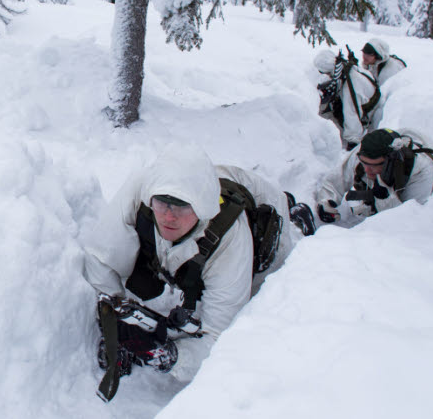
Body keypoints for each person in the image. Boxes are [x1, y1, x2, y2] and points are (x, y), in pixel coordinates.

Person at [81, 147, 313, 389]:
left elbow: (220, 338)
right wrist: (115, 316)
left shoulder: (231, 242)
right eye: (162, 205)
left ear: (201, 207)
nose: (169, 217)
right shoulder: (144, 189)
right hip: (212, 187)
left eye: (181, 208)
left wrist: (170, 356)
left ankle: (297, 217)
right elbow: (100, 256)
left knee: (261, 301)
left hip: (263, 217)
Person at [315, 129, 433, 224]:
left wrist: (384, 193)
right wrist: (326, 202)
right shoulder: (364, 153)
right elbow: (335, 180)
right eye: (364, 163)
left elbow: (404, 221)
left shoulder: (422, 172)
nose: (366, 169)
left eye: (373, 165)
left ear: (389, 161)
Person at [314, 49, 381, 151]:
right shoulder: (348, 68)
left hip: (370, 115)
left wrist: (352, 142)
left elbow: (352, 114)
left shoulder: (350, 86)